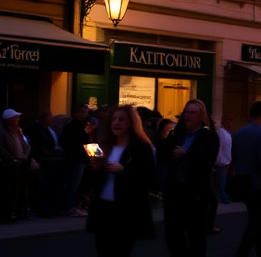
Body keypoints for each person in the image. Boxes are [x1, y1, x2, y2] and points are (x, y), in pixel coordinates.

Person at [85, 105, 156, 257]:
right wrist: (94, 167)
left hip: (126, 210)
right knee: (103, 250)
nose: (116, 123)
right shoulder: (103, 145)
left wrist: (124, 170)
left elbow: (150, 178)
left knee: (120, 251)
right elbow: (93, 179)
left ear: (132, 123)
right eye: (114, 119)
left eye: (121, 119)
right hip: (103, 208)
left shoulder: (142, 148)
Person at [158, 99, 220, 257]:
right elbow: (163, 155)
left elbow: (208, 161)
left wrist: (187, 155)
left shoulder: (209, 136)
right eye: (186, 111)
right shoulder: (177, 135)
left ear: (201, 115)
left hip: (195, 192)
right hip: (175, 190)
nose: (188, 115)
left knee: (196, 235)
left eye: (192, 112)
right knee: (173, 232)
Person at [232, 101, 261, 257]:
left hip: (243, 182)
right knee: (256, 223)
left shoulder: (240, 132)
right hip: (259, 184)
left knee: (258, 222)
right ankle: (241, 252)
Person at [0, 108, 38, 222]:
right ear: (9, 119)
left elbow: (26, 143)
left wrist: (26, 155)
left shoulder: (18, 131)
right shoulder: (1, 131)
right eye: (15, 117)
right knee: (9, 189)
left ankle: (18, 210)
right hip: (9, 165)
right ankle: (6, 213)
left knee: (21, 188)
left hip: (21, 163)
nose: (18, 119)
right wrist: (10, 158)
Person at [59, 103, 92, 217]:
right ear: (77, 114)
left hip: (77, 158)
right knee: (73, 184)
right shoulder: (76, 126)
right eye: (84, 112)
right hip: (76, 159)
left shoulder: (76, 126)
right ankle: (70, 207)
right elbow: (86, 142)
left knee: (75, 184)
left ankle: (74, 206)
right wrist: (96, 155)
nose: (86, 115)